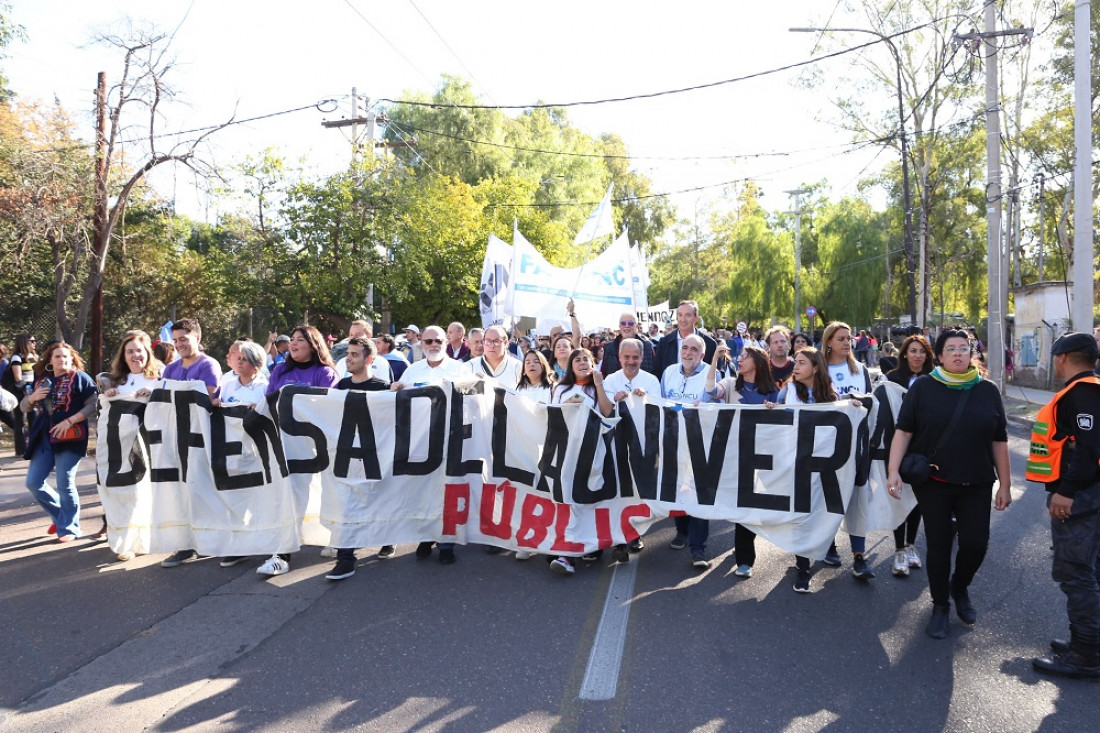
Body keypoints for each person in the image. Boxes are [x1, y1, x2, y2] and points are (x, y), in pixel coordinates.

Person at [885, 327, 1011, 639]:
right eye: (951, 349)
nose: (958, 354)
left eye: (963, 348)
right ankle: (940, 605)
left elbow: (1000, 439)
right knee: (939, 545)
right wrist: (893, 471)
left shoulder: (988, 390)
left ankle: (960, 586)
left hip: (978, 481)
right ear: (939, 356)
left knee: (975, 543)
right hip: (935, 480)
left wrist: (1005, 484)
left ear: (972, 354)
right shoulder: (924, 387)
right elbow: (903, 431)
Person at [1026, 333, 1100, 679]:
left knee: (1076, 573)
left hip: (1081, 497)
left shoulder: (1082, 393)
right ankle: (1087, 643)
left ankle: (1085, 654)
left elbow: (1087, 449)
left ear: (1063, 357)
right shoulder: (1089, 390)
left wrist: (1066, 491)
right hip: (1089, 494)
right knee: (1090, 570)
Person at [253, 325, 340, 578]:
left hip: (317, 449)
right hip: (285, 446)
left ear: (314, 345)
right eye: (291, 339)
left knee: (324, 492)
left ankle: (335, 536)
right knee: (289, 497)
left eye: (300, 340)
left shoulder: (325, 372)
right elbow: (269, 402)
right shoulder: (280, 370)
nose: (293, 343)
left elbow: (328, 406)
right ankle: (282, 554)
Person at [391, 325, 469, 565]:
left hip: (450, 441)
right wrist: (394, 390)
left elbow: (477, 398)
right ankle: (425, 537)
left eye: (438, 340)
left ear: (446, 342)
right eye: (428, 342)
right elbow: (396, 404)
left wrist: (457, 388)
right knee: (423, 492)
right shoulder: (412, 371)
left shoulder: (461, 369)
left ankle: (446, 543)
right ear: (421, 344)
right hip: (420, 444)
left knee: (447, 492)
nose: (433, 345)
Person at [705, 342, 779, 579]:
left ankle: (745, 559)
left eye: (744, 356)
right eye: (739, 356)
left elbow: (782, 421)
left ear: (756, 362)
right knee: (741, 506)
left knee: (750, 506)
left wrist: (774, 409)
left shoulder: (771, 391)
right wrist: (715, 359)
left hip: (761, 457)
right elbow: (709, 390)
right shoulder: (729, 385)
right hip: (734, 455)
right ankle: (744, 555)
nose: (739, 359)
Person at [767, 347, 838, 593]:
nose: (795, 367)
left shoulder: (829, 395)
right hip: (795, 462)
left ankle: (825, 546)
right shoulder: (787, 392)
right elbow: (779, 423)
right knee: (801, 514)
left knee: (820, 510)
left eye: (802, 363)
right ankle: (803, 567)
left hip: (822, 463)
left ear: (815, 368)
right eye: (795, 362)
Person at [325, 337, 395, 581]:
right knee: (347, 506)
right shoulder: (341, 387)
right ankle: (346, 559)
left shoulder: (382, 387)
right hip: (347, 458)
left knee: (378, 501)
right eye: (349, 353)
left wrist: (397, 394)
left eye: (355, 354)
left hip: (376, 458)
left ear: (369, 359)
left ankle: (386, 538)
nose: (349, 358)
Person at [20, 342, 97, 542]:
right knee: (34, 482)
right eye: (57, 356)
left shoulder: (80, 378)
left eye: (66, 357)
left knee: (65, 483)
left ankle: (70, 528)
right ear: (49, 360)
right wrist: (31, 398)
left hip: (70, 436)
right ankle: (62, 516)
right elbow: (24, 409)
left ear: (72, 359)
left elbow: (93, 404)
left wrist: (71, 420)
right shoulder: (41, 380)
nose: (62, 360)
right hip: (43, 437)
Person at [547, 348, 614, 576]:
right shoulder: (560, 388)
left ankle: (588, 546)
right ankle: (567, 553)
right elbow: (551, 415)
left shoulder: (599, 387)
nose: (583, 363)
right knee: (568, 501)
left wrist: (599, 386)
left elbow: (607, 412)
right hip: (566, 452)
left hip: (592, 452)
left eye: (587, 359)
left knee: (588, 501)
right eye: (578, 360)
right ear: (571, 365)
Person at [821, 321, 874, 579]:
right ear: (829, 341)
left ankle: (859, 556)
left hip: (857, 443)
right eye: (840, 338)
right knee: (829, 497)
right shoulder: (820, 367)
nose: (846, 342)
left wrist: (861, 402)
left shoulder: (860, 369)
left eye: (849, 338)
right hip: (827, 444)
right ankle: (828, 545)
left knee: (857, 498)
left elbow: (872, 403)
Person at [603, 337, 661, 558]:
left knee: (638, 490)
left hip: (642, 445)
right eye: (626, 357)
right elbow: (605, 410)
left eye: (635, 357)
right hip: (617, 444)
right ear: (619, 357)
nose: (631, 361)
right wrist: (615, 400)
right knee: (619, 489)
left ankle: (635, 534)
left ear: (642, 358)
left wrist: (645, 400)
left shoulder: (651, 380)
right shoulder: (610, 379)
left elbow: (659, 412)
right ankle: (619, 539)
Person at [884, 334, 935, 578]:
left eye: (922, 351)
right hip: (898, 444)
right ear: (904, 353)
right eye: (913, 351)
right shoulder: (892, 379)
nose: (917, 355)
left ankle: (912, 544)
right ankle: (899, 549)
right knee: (898, 495)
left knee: (917, 499)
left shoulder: (935, 379)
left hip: (925, 447)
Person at [660, 334, 713, 569]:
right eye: (685, 348)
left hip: (700, 442)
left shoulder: (712, 373)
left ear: (702, 355)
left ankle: (698, 548)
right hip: (673, 440)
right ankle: (681, 531)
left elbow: (717, 407)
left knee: (698, 492)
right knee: (678, 489)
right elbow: (659, 403)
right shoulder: (669, 372)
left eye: (694, 349)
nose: (688, 352)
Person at [655, 300, 717, 376]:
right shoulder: (664, 343)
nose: (683, 320)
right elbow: (657, 372)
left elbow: (715, 374)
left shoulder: (710, 344)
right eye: (680, 315)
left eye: (687, 315)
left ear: (696, 319)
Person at [2, 333, 38, 456]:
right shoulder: (17, 358)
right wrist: (27, 389)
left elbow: (36, 371)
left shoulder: (31, 356)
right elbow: (18, 377)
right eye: (32, 341)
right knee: (19, 420)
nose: (34, 343)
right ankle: (21, 449)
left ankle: (33, 447)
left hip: (32, 392)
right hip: (20, 392)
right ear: (24, 342)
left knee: (33, 417)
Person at [218, 341, 269, 406]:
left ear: (256, 365)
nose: (240, 362)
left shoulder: (265, 389)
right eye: (239, 358)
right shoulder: (227, 385)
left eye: (244, 359)